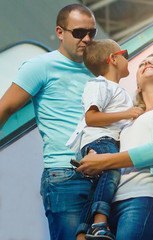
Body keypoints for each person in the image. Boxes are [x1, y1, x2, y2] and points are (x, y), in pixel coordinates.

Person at [0, 4, 98, 240]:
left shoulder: (97, 69)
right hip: (65, 175)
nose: (86, 39)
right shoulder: (40, 66)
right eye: (78, 33)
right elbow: (6, 107)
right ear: (59, 32)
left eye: (91, 33)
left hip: (102, 173)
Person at [76, 52, 153, 240]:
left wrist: (103, 161)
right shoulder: (128, 121)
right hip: (108, 204)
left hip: (142, 198)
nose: (148, 62)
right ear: (137, 85)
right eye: (143, 63)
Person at [66, 39, 144, 240]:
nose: (127, 59)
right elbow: (91, 118)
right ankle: (100, 223)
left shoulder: (117, 90)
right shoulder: (99, 84)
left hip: (107, 140)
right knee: (111, 172)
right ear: (114, 59)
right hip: (100, 140)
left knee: (96, 188)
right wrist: (126, 114)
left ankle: (82, 233)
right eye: (124, 54)